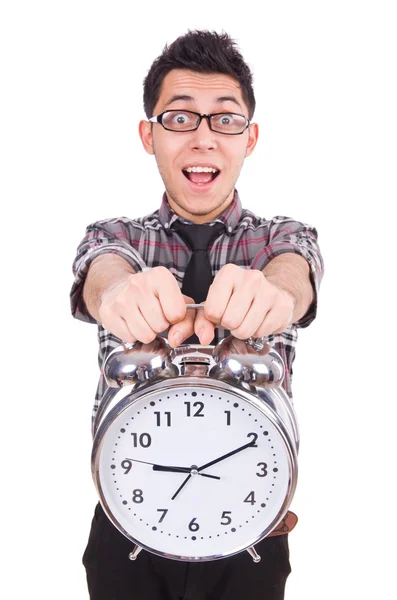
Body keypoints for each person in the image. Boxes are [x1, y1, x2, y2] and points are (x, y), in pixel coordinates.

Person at [71, 29, 324, 600]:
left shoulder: (281, 238)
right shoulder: (116, 237)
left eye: (225, 119)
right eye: (180, 118)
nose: (203, 139)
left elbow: (295, 271)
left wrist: (277, 295)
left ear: (249, 137)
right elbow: (102, 270)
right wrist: (115, 293)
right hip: (127, 527)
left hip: (253, 530)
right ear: (149, 135)